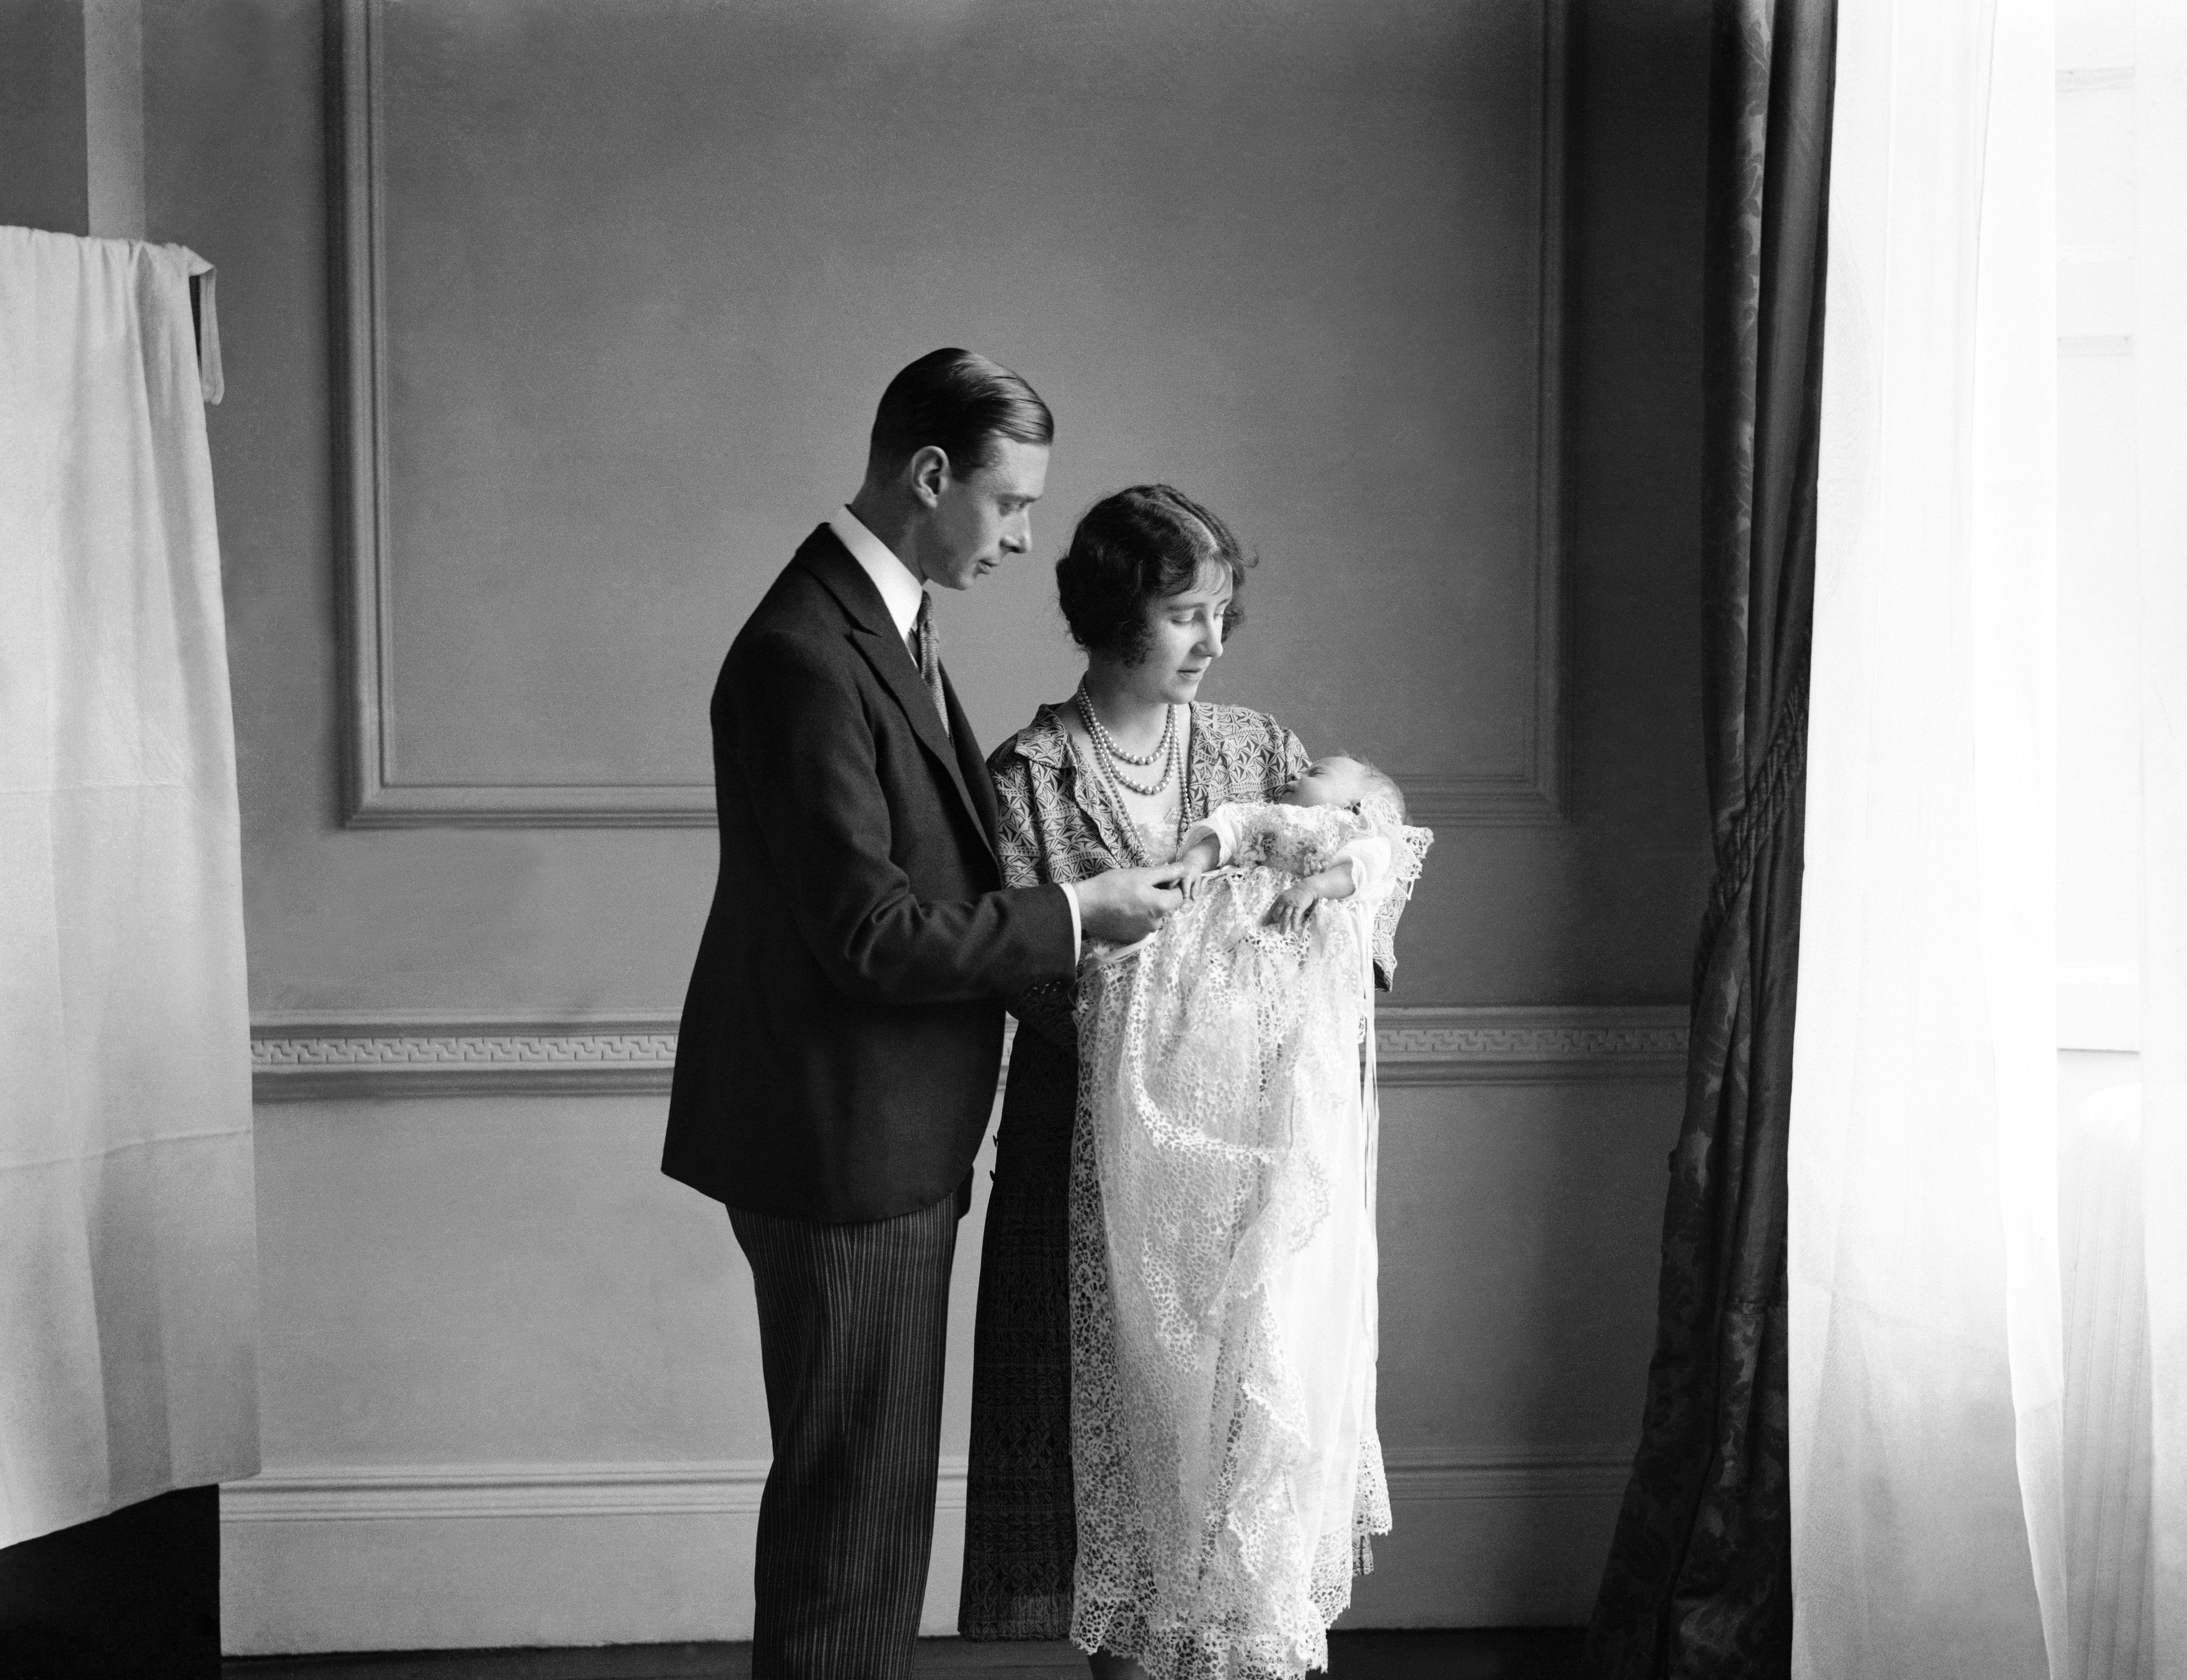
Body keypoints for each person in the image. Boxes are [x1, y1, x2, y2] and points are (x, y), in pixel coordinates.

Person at [663, 349, 1183, 1680]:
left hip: (879, 1134)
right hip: (844, 1145)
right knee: (854, 1519)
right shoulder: (806, 651)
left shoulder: (874, 622)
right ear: (931, 473)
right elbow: (870, 935)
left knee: (871, 1502)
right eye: (1010, 506)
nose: (1022, 538)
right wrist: (1077, 913)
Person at [959, 484, 1312, 1670]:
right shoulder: (1029, 780)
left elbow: (1342, 923)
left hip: (1242, 1163)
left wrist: (1322, 894)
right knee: (1107, 1459)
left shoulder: (1260, 753)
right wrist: (1179, 975)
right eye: (1184, 615)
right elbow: (1026, 973)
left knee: (1235, 1454)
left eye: (1223, 613)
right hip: (1086, 1161)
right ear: (1115, 612)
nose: (1213, 642)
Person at [1069, 756, 1431, 1680]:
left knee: (1271, 1336)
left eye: (1327, 772)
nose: (1301, 767)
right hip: (1212, 1050)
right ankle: (1177, 1616)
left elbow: (1378, 863)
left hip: (1282, 1083)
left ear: (1352, 803)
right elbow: (1222, 828)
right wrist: (1198, 858)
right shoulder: (1260, 814)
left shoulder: (1350, 835)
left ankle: (1252, 1617)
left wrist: (1323, 879)